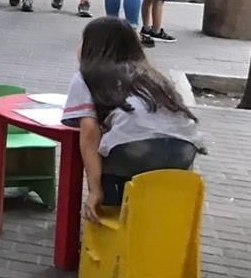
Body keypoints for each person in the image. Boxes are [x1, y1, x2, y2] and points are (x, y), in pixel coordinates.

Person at [63, 17, 204, 221]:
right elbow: (178, 121)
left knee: (109, 162)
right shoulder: (154, 75)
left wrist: (95, 189)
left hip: (134, 150)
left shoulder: (87, 76)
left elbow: (89, 133)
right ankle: (157, 224)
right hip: (184, 151)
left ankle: (112, 220)